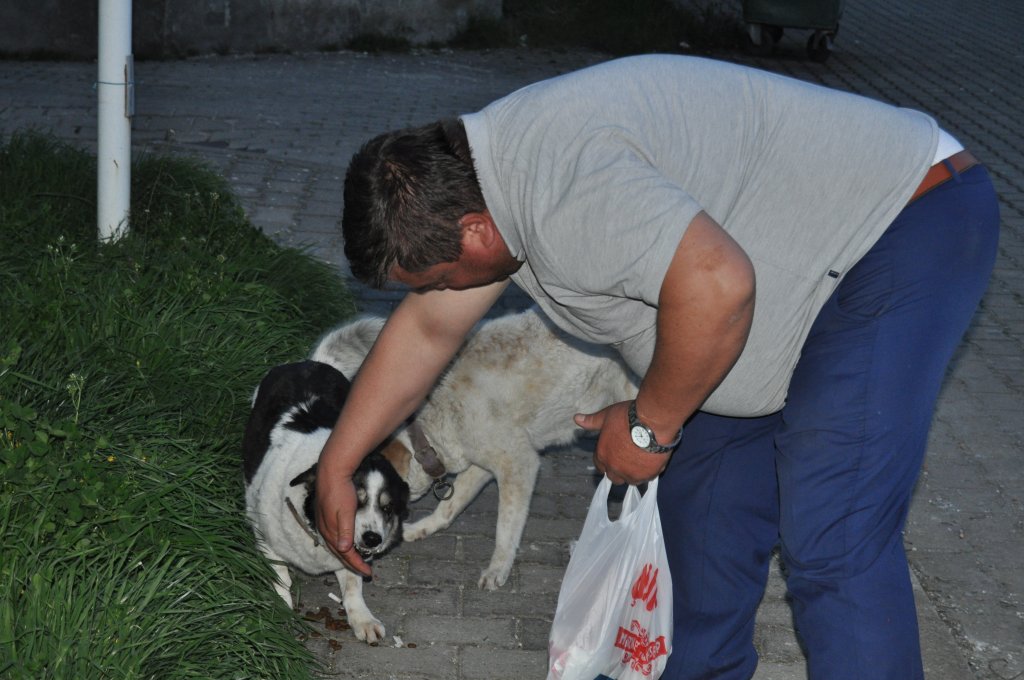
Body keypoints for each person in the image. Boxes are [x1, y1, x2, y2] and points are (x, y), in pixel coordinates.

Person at [315, 54, 999, 679]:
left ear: (473, 233)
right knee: (702, 521)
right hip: (779, 274)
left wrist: (649, 426)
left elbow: (718, 285)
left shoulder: (564, 190)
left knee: (834, 530)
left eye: (434, 278)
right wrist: (339, 465)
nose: (436, 298)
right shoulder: (482, 177)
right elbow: (426, 334)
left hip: (903, 218)